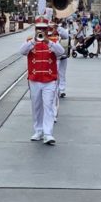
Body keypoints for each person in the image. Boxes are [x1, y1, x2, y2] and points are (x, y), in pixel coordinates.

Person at [21, 16, 65, 144]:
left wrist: (48, 42)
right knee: (36, 106)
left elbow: (61, 52)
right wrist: (33, 42)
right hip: (34, 79)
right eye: (38, 28)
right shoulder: (30, 40)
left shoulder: (53, 40)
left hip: (49, 79)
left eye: (43, 28)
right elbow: (22, 51)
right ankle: (38, 130)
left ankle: (48, 133)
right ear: (35, 29)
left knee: (48, 105)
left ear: (47, 29)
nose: (41, 30)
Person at [56, 20, 71, 96]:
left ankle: (61, 89)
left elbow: (65, 36)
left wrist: (57, 28)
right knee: (54, 72)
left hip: (62, 53)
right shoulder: (44, 28)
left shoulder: (59, 28)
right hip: (52, 55)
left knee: (62, 72)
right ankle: (55, 89)